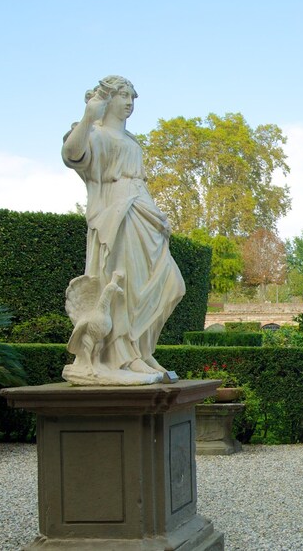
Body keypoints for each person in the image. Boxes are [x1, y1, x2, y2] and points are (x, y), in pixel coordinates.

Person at [61, 75, 185, 385]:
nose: (129, 102)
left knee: (172, 285)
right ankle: (124, 355)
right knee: (124, 287)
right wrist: (88, 116)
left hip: (143, 215)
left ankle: (142, 349)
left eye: (132, 97)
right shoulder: (96, 134)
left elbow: (139, 182)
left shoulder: (131, 140)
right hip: (117, 215)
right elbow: (72, 154)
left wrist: (156, 215)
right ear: (108, 99)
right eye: (123, 96)